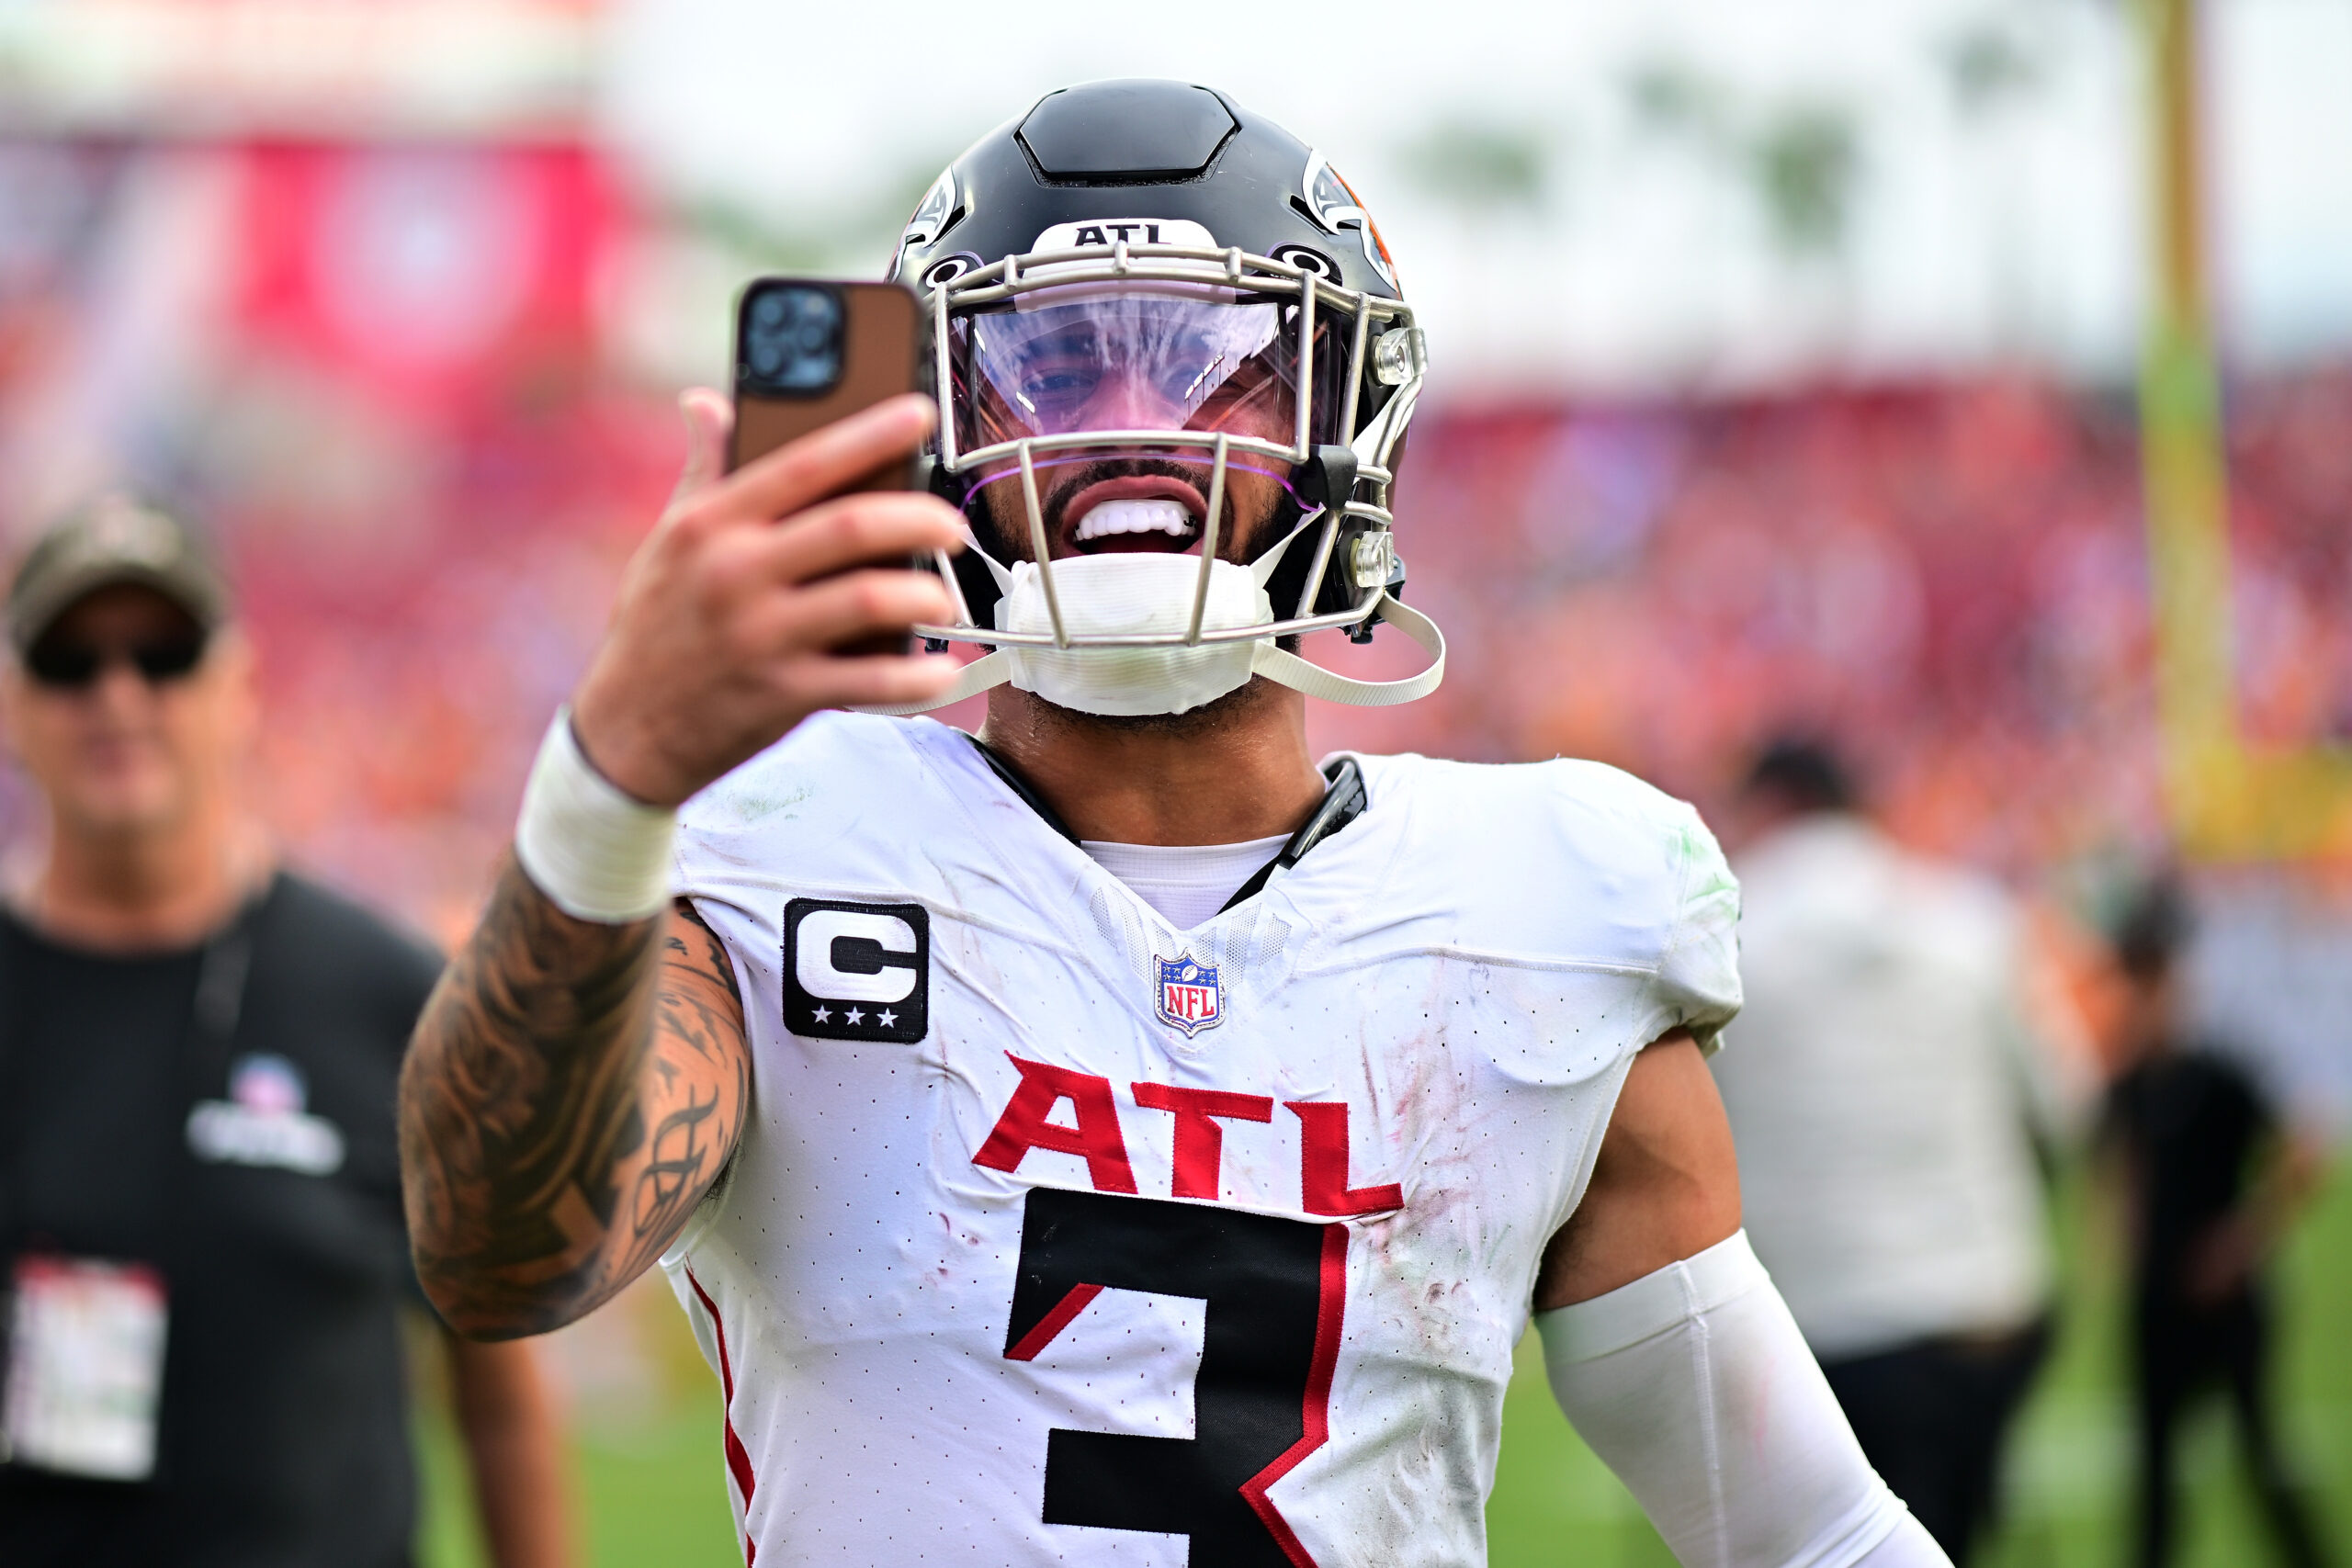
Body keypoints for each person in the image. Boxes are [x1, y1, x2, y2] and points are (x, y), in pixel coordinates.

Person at [401, 81, 1948, 1567]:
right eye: (1054, 367)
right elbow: (498, 1255)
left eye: (1212, 359)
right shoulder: (776, 850)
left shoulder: (1540, 909)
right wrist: (609, 783)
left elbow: (1803, 1528)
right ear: (934, 439)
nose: (1135, 426)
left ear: (1344, 420)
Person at [0, 495, 571, 1567]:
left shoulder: (390, 997)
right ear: (13, 701)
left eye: (162, 654)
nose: (118, 697)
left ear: (239, 686)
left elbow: (500, 1403)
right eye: (71, 661)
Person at [1710, 739, 2084, 1562]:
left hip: (1819, 1327)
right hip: (1987, 1309)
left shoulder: (1726, 935)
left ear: (1771, 806)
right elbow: (2064, 1105)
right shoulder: (1973, 916)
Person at [2101, 881, 2334, 1568]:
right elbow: (2119, 1170)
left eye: (2149, 973)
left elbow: (2304, 1146)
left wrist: (2244, 1237)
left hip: (2227, 1297)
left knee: (2261, 1453)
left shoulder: (2218, 1068)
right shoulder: (2132, 1079)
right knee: (2154, 1475)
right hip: (2158, 1298)